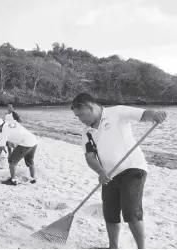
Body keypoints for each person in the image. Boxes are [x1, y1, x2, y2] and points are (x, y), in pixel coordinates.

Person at [70, 93, 167, 249]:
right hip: (108, 174)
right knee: (110, 212)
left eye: (81, 115)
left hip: (133, 168)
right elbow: (90, 157)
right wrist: (100, 172)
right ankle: (113, 247)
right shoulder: (86, 132)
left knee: (130, 210)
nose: (80, 119)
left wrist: (155, 114)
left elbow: (143, 115)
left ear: (91, 107)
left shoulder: (116, 112)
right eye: (77, 116)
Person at [0, 116, 38, 186]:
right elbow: (8, 143)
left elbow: (0, 149)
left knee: (12, 162)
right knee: (30, 160)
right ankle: (33, 178)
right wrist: (10, 154)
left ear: (0, 126)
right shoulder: (11, 123)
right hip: (33, 140)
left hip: (25, 143)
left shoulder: (4, 132)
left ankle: (13, 180)